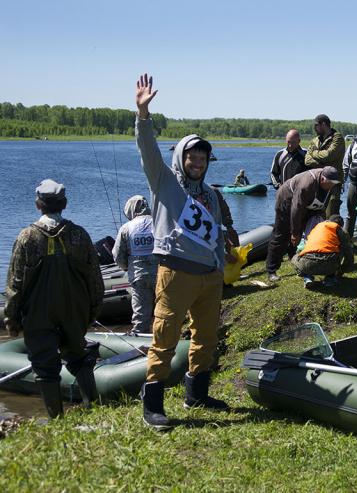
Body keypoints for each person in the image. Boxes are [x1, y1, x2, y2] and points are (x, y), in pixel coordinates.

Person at [134, 73, 231, 430]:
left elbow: (218, 233)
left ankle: (197, 393)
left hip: (209, 276)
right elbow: (148, 151)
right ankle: (153, 404)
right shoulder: (164, 182)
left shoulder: (210, 194)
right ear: (182, 156)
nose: (198, 161)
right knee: (164, 336)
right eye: (192, 155)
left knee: (205, 337)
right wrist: (143, 116)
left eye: (203, 156)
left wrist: (221, 266)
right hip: (175, 272)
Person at [4, 179, 104, 419]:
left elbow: (15, 284)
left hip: (39, 314)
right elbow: (95, 280)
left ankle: (56, 419)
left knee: (45, 368)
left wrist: (12, 319)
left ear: (38, 204)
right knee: (78, 357)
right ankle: (94, 407)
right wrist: (91, 313)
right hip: (74, 310)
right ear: (65, 204)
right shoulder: (79, 235)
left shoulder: (27, 238)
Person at [265, 166, 341, 282]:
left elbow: (322, 205)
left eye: (334, 184)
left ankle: (295, 259)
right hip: (287, 201)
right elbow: (296, 209)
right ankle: (271, 270)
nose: (332, 186)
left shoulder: (330, 184)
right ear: (322, 179)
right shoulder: (306, 185)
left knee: (311, 231)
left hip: (308, 204)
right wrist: (295, 233)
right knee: (280, 234)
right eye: (330, 183)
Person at [112, 195, 158, 335]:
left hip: (138, 277)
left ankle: (140, 340)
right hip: (161, 275)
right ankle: (167, 339)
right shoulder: (159, 222)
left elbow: (118, 255)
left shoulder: (126, 228)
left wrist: (126, 267)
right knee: (165, 311)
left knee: (140, 316)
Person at [291, 215, 354, 288]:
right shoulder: (338, 229)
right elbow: (349, 255)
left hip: (308, 263)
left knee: (294, 258)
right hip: (329, 264)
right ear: (340, 225)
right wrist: (341, 271)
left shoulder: (317, 227)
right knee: (342, 248)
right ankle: (330, 278)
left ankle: (307, 277)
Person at [304, 114, 346, 218]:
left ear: (323, 124)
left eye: (316, 125)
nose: (314, 128)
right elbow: (307, 161)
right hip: (318, 182)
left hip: (333, 183)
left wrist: (314, 154)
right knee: (316, 214)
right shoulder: (315, 140)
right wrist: (324, 162)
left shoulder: (337, 138)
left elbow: (329, 155)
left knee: (331, 214)